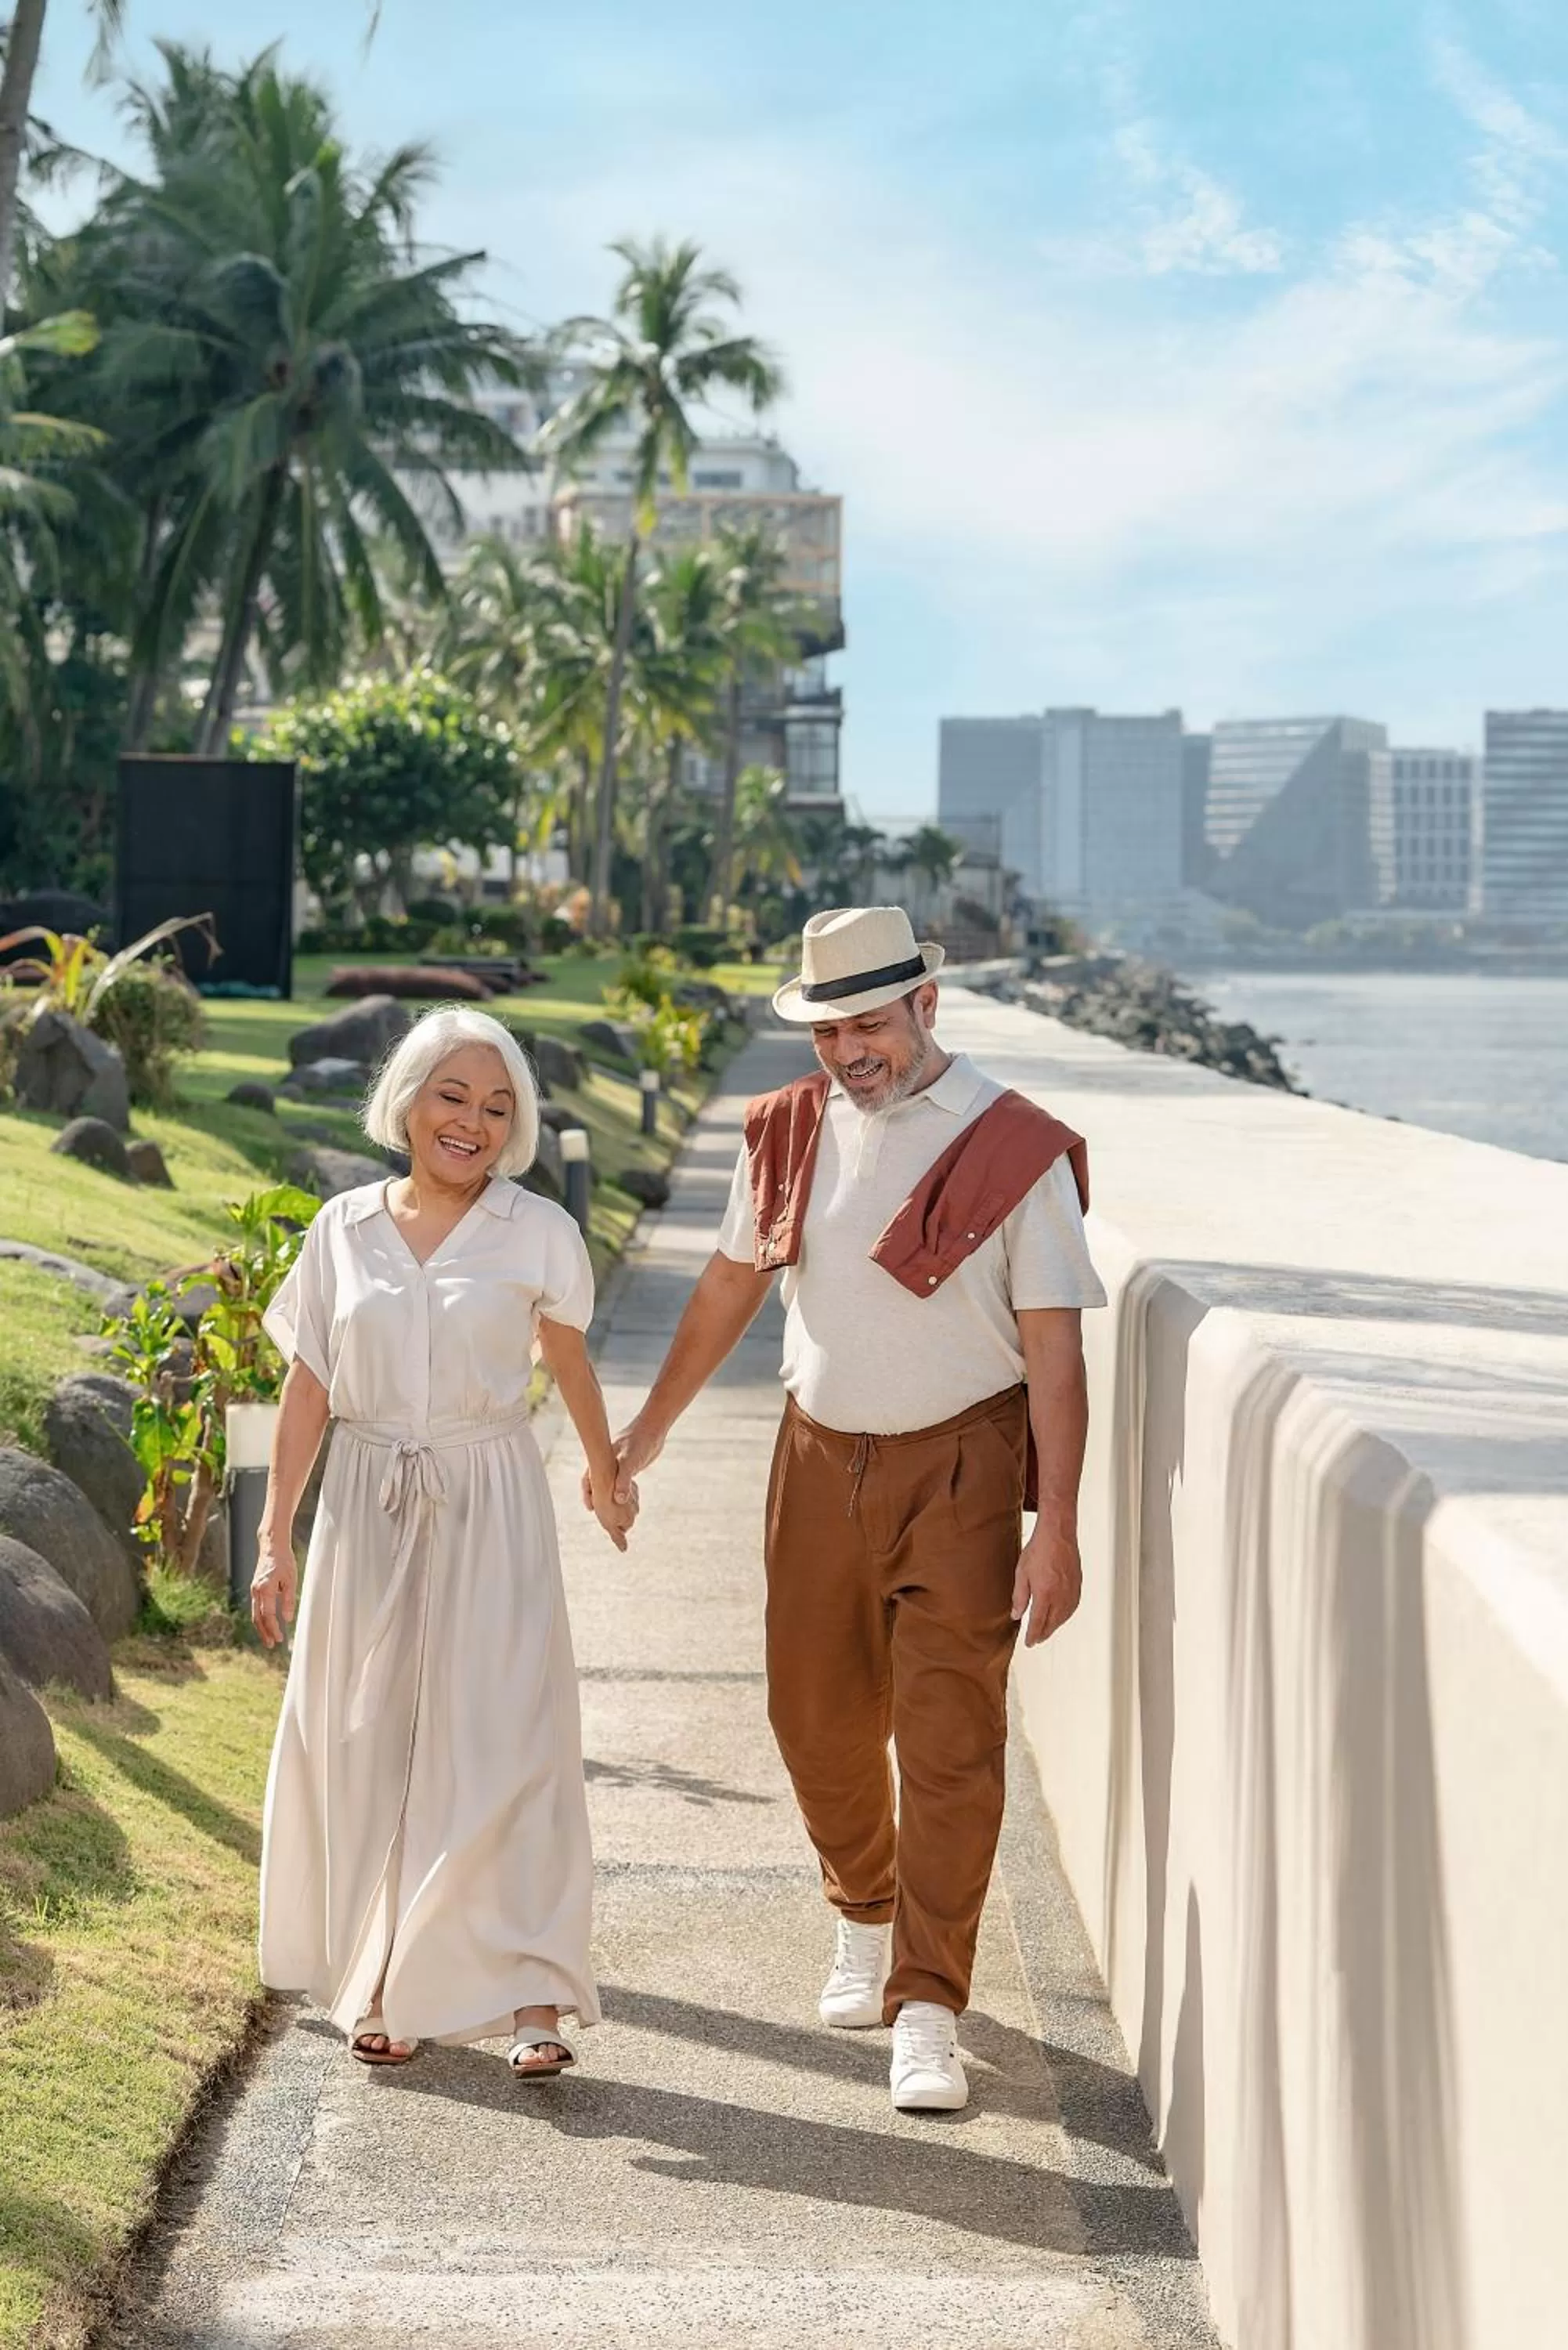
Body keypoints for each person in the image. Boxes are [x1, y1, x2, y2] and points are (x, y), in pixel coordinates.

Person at [605, 906, 1106, 2112]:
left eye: (868, 1025)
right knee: (813, 1722)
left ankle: (928, 2001)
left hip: (965, 1473)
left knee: (949, 1746)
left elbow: (1053, 1353)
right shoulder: (782, 1129)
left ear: (926, 1008)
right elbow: (732, 1283)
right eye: (828, 1030)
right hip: (816, 1459)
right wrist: (649, 1428)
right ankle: (862, 1906)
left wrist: (1060, 1525)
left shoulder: (1015, 1146)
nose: (847, 1052)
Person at [249, 1005, 635, 2078]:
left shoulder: (537, 1232)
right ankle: (379, 1974)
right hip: (366, 1504)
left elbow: (566, 1362)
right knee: (372, 1736)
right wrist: (274, 1537)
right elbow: (310, 1385)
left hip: (489, 1496)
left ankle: (534, 1997)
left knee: (507, 1739)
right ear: (408, 1101)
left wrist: (608, 1476)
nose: (472, 1121)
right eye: (452, 1096)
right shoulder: (342, 1228)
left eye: (497, 1106)